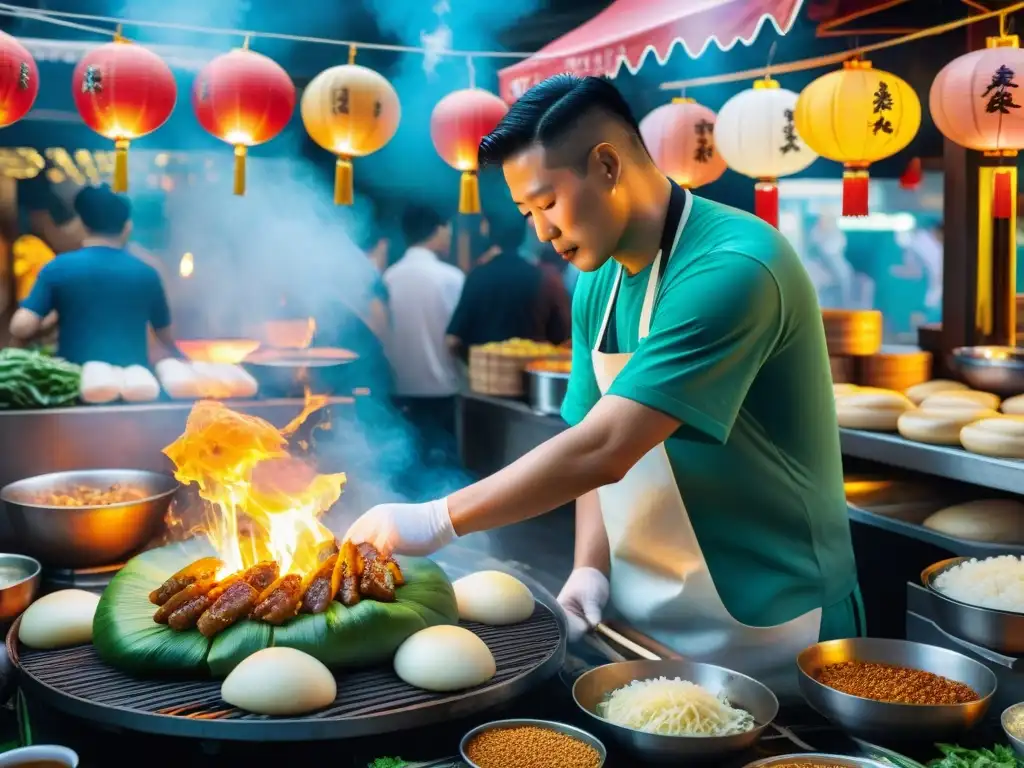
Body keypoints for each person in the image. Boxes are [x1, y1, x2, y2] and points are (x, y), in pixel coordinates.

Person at [344, 75, 862, 695]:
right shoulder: (599, 278)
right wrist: (591, 567)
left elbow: (607, 448)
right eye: (527, 213)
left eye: (547, 202)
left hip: (774, 621)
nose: (540, 231)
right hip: (641, 620)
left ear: (608, 165)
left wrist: (437, 518)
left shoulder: (734, 268)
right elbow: (587, 433)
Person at [9, 184, 179, 366]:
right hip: (135, 383)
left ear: (82, 224)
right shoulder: (147, 273)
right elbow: (165, 336)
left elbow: (21, 327)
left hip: (75, 380)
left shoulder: (58, 268)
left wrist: (52, 320)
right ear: (127, 227)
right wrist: (182, 358)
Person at [383, 204, 463, 464]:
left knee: (405, 465)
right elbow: (457, 336)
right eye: (448, 229)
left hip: (399, 390)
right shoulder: (449, 278)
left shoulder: (389, 278)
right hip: (441, 392)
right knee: (441, 468)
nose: (449, 236)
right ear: (438, 230)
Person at [447, 212, 569, 356]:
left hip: (485, 372)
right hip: (533, 372)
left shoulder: (477, 276)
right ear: (524, 234)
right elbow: (564, 338)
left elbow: (453, 340)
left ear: (489, 234)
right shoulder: (546, 278)